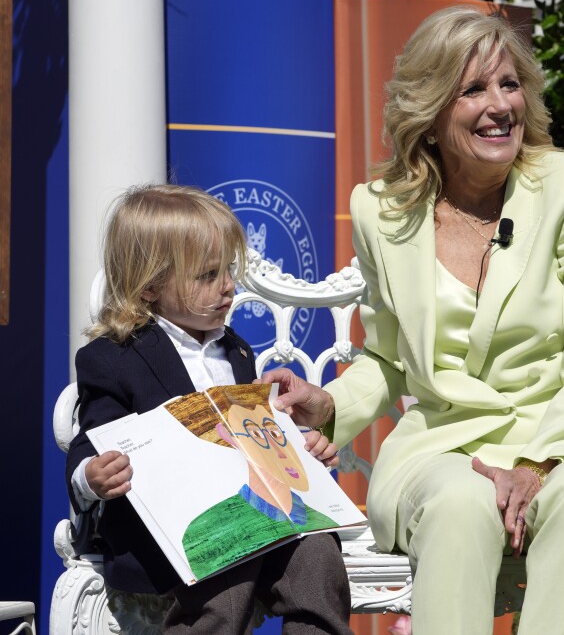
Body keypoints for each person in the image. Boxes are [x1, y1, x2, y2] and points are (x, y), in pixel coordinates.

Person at [262, 6, 564, 635]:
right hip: (445, 446)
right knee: (460, 502)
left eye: (508, 85)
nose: (499, 105)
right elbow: (389, 359)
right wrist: (331, 406)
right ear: (428, 114)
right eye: (473, 90)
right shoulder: (382, 212)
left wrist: (537, 466)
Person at [64, 184, 353, 635]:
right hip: (176, 535)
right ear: (151, 285)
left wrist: (299, 450)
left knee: (317, 553)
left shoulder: (235, 352)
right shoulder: (112, 357)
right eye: (207, 275)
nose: (227, 288)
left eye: (229, 271)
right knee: (225, 563)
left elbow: (254, 436)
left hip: (262, 515)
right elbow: (91, 441)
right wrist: (93, 476)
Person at [180, 401, 340, 579]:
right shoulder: (202, 532)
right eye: (256, 434)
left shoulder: (321, 520)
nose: (279, 451)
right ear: (230, 438)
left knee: (319, 547)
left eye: (275, 433)